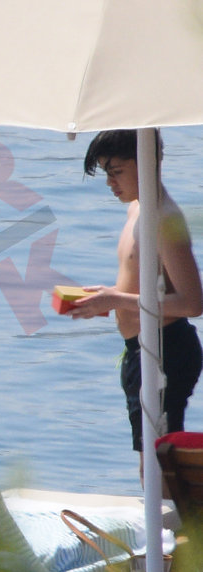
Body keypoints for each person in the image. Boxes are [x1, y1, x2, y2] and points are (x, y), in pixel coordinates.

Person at [72, 129, 203, 485]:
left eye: (116, 172)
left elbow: (192, 303)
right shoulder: (137, 208)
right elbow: (146, 285)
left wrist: (116, 299)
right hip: (141, 349)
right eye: (106, 173)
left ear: (147, 159)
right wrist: (106, 298)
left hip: (165, 351)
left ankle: (178, 519)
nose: (110, 183)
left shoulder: (163, 218)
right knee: (151, 461)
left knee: (158, 466)